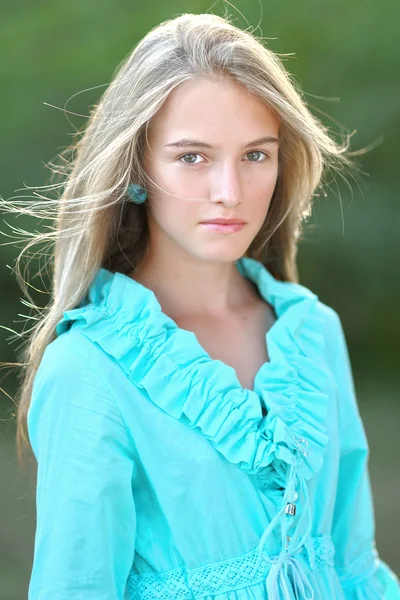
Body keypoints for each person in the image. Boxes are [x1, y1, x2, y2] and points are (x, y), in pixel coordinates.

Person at [10, 11, 400, 600]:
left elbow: (353, 567)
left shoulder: (314, 332)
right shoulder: (89, 371)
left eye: (255, 155)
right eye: (192, 157)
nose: (230, 191)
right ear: (137, 170)